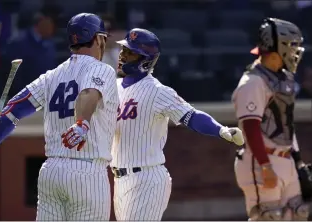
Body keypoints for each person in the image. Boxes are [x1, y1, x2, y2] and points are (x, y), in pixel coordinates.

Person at [0, 13, 119, 221]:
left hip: (51, 172)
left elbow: (13, 109)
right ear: (97, 38)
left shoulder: (52, 75)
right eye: (103, 37)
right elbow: (88, 94)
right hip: (87, 171)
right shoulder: (102, 70)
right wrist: (81, 123)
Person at [110, 28, 245, 221]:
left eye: (130, 52)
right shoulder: (113, 87)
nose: (122, 56)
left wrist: (221, 130)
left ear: (145, 60)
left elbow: (191, 116)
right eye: (123, 50)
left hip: (146, 177)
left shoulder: (158, 91)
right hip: (119, 177)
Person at [232, 18, 309, 220]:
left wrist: (298, 162)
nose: (296, 51)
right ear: (278, 48)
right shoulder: (252, 82)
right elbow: (250, 127)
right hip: (261, 161)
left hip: (285, 159)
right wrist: (265, 165)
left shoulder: (282, 79)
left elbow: (286, 124)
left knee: (299, 214)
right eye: (292, 46)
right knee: (269, 216)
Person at [0, 4, 59, 104]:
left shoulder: (50, 45)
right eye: (52, 22)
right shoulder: (18, 43)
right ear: (41, 21)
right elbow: (10, 76)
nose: (54, 26)